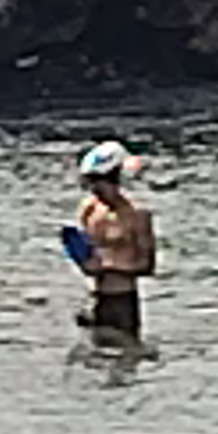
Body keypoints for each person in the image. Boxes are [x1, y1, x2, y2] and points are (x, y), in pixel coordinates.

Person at [62, 142, 159, 336]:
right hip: (95, 297)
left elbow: (147, 265)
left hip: (123, 301)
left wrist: (108, 267)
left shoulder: (137, 215)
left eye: (100, 182)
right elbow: (87, 252)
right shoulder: (89, 210)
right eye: (91, 183)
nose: (95, 189)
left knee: (123, 358)